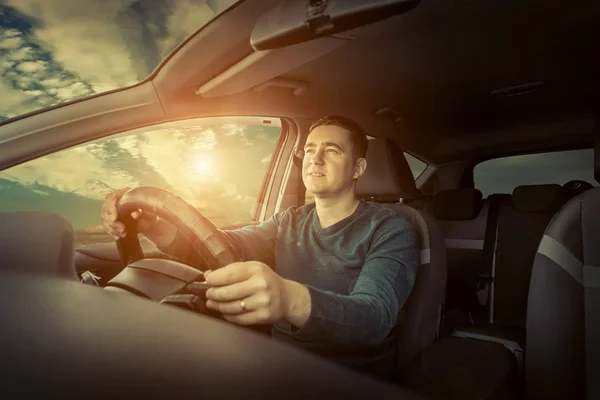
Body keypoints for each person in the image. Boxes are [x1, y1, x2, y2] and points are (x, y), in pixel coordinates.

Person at [101, 115, 419, 378]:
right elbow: (226, 247)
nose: (315, 159)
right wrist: (155, 227)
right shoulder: (289, 220)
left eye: (332, 150)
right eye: (309, 150)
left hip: (347, 379)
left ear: (358, 169)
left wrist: (289, 300)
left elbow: (374, 317)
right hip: (275, 363)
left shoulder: (391, 229)